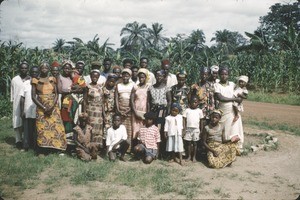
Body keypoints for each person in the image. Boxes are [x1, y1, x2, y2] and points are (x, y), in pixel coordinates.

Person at [31, 62, 67, 154]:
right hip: (41, 108)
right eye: (42, 68)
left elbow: (56, 94)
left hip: (53, 107)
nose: (44, 69)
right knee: (42, 128)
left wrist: (51, 107)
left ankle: (57, 148)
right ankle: (42, 150)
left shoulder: (52, 79)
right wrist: (43, 107)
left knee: (57, 127)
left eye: (46, 67)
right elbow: (33, 97)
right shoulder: (35, 80)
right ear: (40, 69)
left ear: (49, 69)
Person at [214, 67, 244, 149]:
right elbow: (221, 98)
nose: (224, 76)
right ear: (219, 75)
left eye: (226, 74)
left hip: (232, 111)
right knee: (223, 131)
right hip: (222, 110)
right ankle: (224, 147)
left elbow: (239, 93)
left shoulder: (232, 84)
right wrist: (234, 99)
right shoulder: (217, 85)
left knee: (233, 129)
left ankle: (235, 148)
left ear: (228, 75)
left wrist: (239, 99)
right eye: (222, 74)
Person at [148, 69, 172, 158]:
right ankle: (153, 150)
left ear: (163, 77)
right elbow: (149, 101)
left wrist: (168, 113)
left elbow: (169, 101)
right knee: (153, 131)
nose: (159, 77)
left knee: (161, 131)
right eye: (157, 76)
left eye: (161, 76)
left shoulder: (166, 88)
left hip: (163, 111)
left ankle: (161, 152)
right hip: (154, 111)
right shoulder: (151, 87)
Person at [11, 61, 30, 149]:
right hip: (17, 103)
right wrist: (13, 101)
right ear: (19, 69)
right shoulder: (15, 79)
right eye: (22, 68)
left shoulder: (30, 79)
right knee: (17, 120)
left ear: (28, 69)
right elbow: (12, 92)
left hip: (28, 103)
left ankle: (27, 139)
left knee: (26, 121)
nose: (24, 70)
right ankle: (18, 140)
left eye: (25, 68)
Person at [83, 69, 104, 148]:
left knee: (98, 129)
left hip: (99, 112)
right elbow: (84, 100)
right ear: (90, 77)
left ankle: (96, 148)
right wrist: (84, 112)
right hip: (90, 111)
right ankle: (88, 146)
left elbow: (103, 101)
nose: (94, 78)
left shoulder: (101, 87)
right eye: (93, 76)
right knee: (90, 128)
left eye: (96, 76)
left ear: (98, 77)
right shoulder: (87, 87)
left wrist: (103, 114)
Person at [19, 65, 39, 151]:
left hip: (38, 110)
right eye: (33, 72)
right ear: (30, 73)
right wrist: (22, 110)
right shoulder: (25, 84)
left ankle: (35, 146)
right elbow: (22, 98)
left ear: (38, 73)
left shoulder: (41, 84)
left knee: (36, 129)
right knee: (27, 129)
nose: (34, 74)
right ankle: (26, 146)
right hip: (27, 109)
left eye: (36, 72)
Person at [115, 68, 135, 152]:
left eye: (127, 75)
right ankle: (117, 148)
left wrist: (128, 109)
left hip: (129, 110)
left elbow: (133, 99)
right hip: (120, 108)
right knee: (119, 128)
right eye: (124, 74)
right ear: (121, 76)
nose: (125, 76)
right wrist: (119, 110)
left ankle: (127, 149)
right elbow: (116, 98)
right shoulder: (118, 85)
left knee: (128, 129)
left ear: (130, 76)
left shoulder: (133, 85)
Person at [183, 96, 204, 162]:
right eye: (192, 102)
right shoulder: (187, 110)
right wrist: (184, 128)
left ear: (198, 103)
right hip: (188, 129)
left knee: (195, 143)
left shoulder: (199, 111)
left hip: (196, 129)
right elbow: (184, 120)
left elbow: (201, 121)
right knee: (188, 143)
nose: (194, 103)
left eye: (196, 102)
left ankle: (194, 156)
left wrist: (201, 129)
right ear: (190, 103)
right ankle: (189, 156)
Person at [131, 68, 150, 140]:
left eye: (143, 77)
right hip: (136, 111)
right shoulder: (135, 87)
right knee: (135, 129)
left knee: (143, 129)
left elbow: (148, 101)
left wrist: (147, 114)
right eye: (140, 77)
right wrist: (135, 112)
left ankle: (142, 148)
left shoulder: (148, 87)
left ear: (146, 78)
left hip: (144, 111)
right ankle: (134, 148)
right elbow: (132, 100)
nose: (141, 79)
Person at [103, 73, 118, 140]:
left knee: (113, 129)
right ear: (108, 80)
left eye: (113, 82)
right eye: (110, 81)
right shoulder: (103, 89)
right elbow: (102, 102)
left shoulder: (115, 89)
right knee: (106, 128)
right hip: (106, 112)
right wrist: (103, 114)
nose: (111, 83)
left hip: (113, 112)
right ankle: (105, 144)